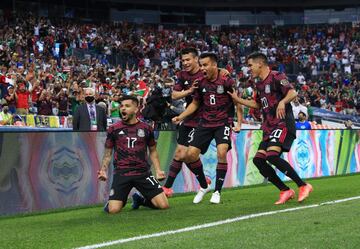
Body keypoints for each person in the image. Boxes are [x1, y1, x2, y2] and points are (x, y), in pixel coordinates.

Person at [228, 52, 313, 204]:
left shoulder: (276, 76)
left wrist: (282, 102)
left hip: (282, 123)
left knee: (272, 156)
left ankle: (303, 185)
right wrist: (237, 99)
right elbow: (257, 105)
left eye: (250, 65)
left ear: (260, 63)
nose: (249, 69)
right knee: (259, 160)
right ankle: (285, 190)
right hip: (268, 127)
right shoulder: (258, 84)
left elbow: (293, 93)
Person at [172, 52, 242, 204]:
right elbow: (195, 103)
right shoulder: (199, 83)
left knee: (221, 152)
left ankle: (217, 191)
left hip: (222, 122)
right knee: (190, 155)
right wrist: (181, 116)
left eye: (205, 65)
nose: (202, 68)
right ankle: (204, 186)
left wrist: (239, 122)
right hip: (204, 123)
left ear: (214, 65)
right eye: (201, 65)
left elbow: (237, 101)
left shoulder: (226, 80)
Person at [97, 95, 169, 214]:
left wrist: (158, 170)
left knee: (163, 205)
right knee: (113, 210)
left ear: (136, 109)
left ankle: (140, 200)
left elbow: (153, 151)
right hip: (122, 173)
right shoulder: (113, 129)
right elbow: (108, 153)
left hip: (143, 173)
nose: (123, 109)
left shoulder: (146, 128)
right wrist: (103, 170)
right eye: (121, 106)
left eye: (127, 106)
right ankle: (115, 201)